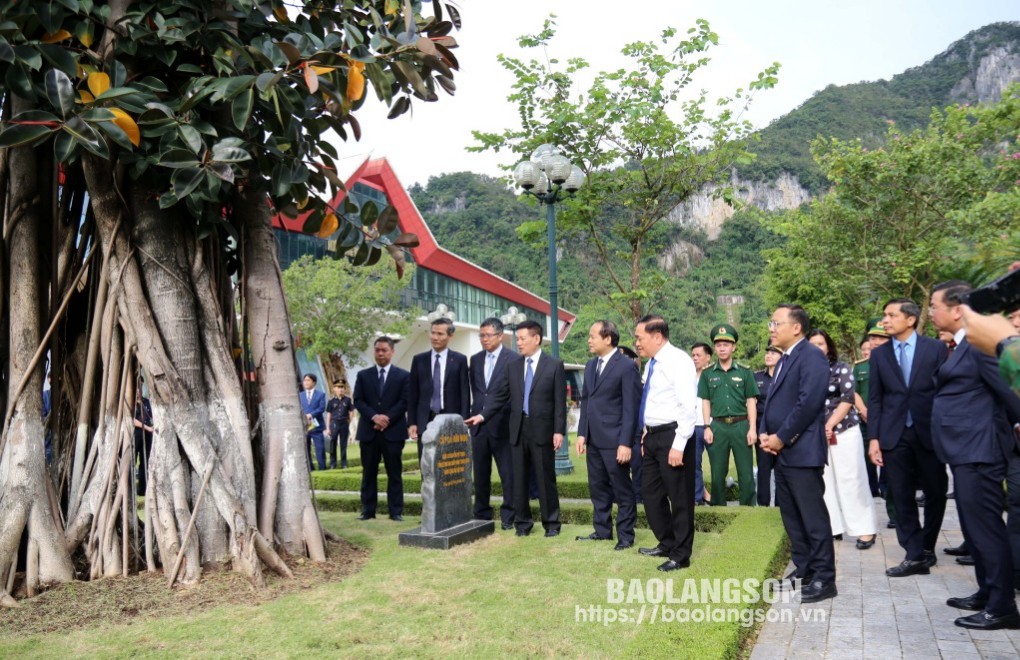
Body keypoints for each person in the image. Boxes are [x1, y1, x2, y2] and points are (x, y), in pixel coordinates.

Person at [930, 281, 1020, 630]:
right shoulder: (962, 345)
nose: (932, 312)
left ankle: (1002, 606)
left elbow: (1009, 392)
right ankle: (987, 591)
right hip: (964, 450)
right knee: (973, 526)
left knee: (985, 529)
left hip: (980, 449)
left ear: (957, 309)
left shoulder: (982, 346)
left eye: (935, 306)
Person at [759, 304, 836, 603]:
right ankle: (804, 569)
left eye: (776, 323)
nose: (772, 328)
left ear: (796, 327)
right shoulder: (784, 359)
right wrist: (767, 432)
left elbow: (808, 404)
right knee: (792, 516)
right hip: (783, 452)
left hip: (802, 451)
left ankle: (825, 578)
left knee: (812, 517)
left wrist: (782, 437)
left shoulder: (812, 357)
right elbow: (773, 399)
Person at [868, 298, 948, 577]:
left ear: (910, 319)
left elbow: (945, 392)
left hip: (929, 433)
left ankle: (927, 546)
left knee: (937, 492)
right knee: (900, 495)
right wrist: (874, 439)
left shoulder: (936, 349)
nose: (885, 320)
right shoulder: (879, 355)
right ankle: (913, 554)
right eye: (884, 315)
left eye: (891, 315)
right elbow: (875, 400)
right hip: (894, 434)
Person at [467, 320, 565, 538]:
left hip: (542, 430)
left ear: (536, 339)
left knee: (544, 478)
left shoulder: (554, 365)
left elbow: (560, 402)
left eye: (522, 339)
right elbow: (501, 396)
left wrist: (559, 431)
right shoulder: (513, 366)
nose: (518, 343)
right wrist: (482, 416)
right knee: (518, 478)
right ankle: (523, 523)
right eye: (517, 339)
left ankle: (552, 524)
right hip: (517, 429)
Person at [632, 314, 698, 572]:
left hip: (674, 435)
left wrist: (679, 444)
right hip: (652, 436)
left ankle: (681, 555)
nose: (637, 342)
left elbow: (687, 406)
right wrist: (645, 432)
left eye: (640, 337)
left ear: (657, 336)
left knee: (679, 497)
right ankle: (667, 542)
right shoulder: (652, 364)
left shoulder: (678, 361)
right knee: (650, 494)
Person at [807, 329, 878, 550]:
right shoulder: (805, 371)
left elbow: (847, 399)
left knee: (851, 479)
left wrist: (828, 425)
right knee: (824, 482)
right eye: (812, 344)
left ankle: (864, 529)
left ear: (828, 346)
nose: (817, 347)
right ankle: (832, 528)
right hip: (816, 433)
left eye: (821, 343)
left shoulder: (841, 368)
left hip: (843, 430)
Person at [575, 320, 641, 550]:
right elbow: (587, 401)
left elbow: (630, 409)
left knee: (622, 489)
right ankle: (602, 531)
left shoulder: (626, 366)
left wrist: (625, 443)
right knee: (598, 488)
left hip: (615, 441)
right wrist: (582, 433)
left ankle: (625, 535)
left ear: (608, 338)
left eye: (593, 336)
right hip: (593, 440)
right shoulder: (591, 365)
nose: (589, 340)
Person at [468, 317, 521, 530]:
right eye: (481, 335)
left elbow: (511, 394)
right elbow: (477, 391)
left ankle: (509, 517)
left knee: (508, 474)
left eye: (488, 335)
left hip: (504, 425)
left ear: (500, 336)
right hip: (478, 426)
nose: (484, 339)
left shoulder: (514, 359)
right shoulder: (475, 359)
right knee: (480, 474)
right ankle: (481, 515)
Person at [699, 324, 759, 506]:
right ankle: (719, 510)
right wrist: (707, 427)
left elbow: (751, 401)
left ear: (733, 347)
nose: (722, 348)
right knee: (717, 474)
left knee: (746, 474)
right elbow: (705, 401)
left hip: (741, 425)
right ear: (715, 348)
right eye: (719, 345)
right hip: (718, 426)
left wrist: (753, 429)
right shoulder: (707, 374)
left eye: (726, 344)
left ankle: (748, 512)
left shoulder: (745, 371)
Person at [353, 337, 410, 521]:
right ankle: (368, 511)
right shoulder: (363, 375)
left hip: (393, 433)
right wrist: (374, 416)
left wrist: (386, 418)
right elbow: (358, 401)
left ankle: (396, 512)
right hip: (369, 432)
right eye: (377, 350)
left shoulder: (403, 376)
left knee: (394, 474)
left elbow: (404, 401)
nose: (380, 353)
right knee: (368, 474)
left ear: (392, 352)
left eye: (384, 350)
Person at [408, 317, 470, 462]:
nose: (435, 337)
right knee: (426, 463)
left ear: (450, 336)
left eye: (440, 334)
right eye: (433, 333)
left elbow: (465, 393)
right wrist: (412, 422)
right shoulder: (419, 360)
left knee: (451, 463)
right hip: (425, 418)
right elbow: (412, 394)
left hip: (450, 418)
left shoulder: (460, 359)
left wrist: (464, 422)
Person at [753, 344, 783, 506]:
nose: (768, 355)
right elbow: (751, 403)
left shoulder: (786, 376)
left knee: (781, 469)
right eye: (768, 353)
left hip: (780, 429)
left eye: (773, 353)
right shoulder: (756, 377)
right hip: (761, 428)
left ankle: (780, 504)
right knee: (763, 468)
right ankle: (763, 505)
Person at [853, 333, 879, 497]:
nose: (866, 352)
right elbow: (853, 391)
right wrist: (863, 410)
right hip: (864, 417)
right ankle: (872, 487)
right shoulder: (859, 367)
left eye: (869, 349)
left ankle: (885, 485)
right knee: (866, 453)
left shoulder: (883, 364)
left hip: (884, 416)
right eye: (863, 349)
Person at [619, 345, 644, 503]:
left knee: (637, 467)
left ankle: (638, 496)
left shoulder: (636, 378)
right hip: (618, 430)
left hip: (635, 431)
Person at [690, 342, 714, 505]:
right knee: (694, 464)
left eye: (698, 355)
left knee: (718, 464)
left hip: (712, 425)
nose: (695, 358)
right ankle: (698, 498)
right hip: (692, 425)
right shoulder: (687, 375)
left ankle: (717, 498)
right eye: (693, 355)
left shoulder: (715, 375)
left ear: (708, 357)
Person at [300, 373, 328, 471]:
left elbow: (321, 408)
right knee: (306, 448)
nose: (306, 382)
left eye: (308, 380)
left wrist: (311, 414)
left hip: (316, 425)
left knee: (319, 448)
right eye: (305, 380)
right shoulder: (300, 395)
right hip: (304, 426)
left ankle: (322, 468)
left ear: (314, 382)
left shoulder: (320, 394)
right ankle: (310, 468)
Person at [325, 381, 355, 469]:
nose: (340, 389)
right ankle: (333, 464)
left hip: (344, 423)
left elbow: (352, 411)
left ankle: (344, 463)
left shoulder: (348, 400)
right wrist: (327, 428)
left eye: (342, 387)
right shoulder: (331, 401)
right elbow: (328, 415)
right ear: (334, 389)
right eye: (338, 387)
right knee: (332, 444)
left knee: (343, 444)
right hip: (334, 424)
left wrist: (349, 420)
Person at [133, 388, 154, 496]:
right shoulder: (130, 402)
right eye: (135, 390)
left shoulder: (146, 402)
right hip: (136, 434)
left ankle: (142, 490)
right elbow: (133, 420)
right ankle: (131, 488)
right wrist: (147, 427)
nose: (137, 392)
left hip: (148, 435)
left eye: (139, 390)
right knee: (133, 460)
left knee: (145, 460)